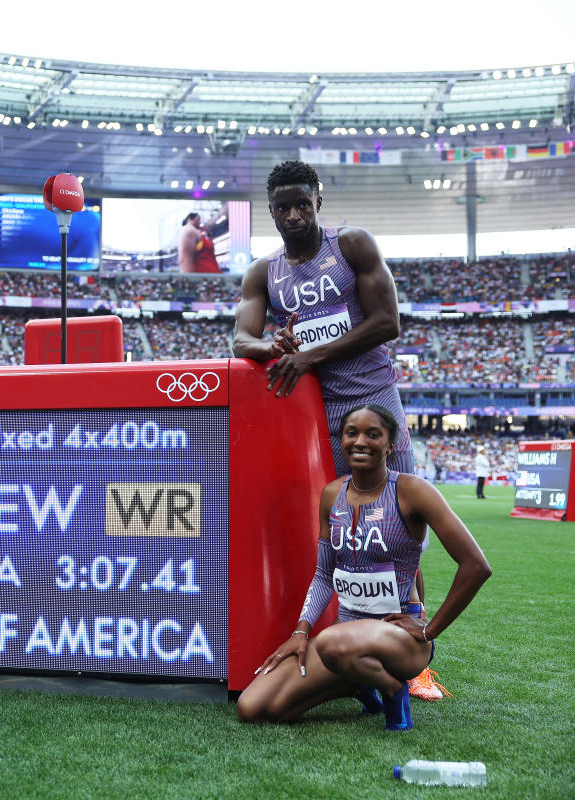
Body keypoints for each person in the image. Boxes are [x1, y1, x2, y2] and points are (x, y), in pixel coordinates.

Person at [231, 159, 438, 693]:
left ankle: (415, 658)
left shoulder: (351, 246)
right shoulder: (264, 272)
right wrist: (271, 347)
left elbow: (387, 322)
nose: (294, 214)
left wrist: (310, 356)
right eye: (283, 207)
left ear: (319, 202)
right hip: (317, 422)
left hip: (374, 404)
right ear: (270, 211)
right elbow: (241, 341)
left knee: (397, 531)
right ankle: (354, 647)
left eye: (303, 203)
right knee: (348, 533)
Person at [236, 404, 491, 731]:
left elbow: (476, 565)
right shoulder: (332, 495)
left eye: (373, 434)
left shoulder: (412, 491)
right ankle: (357, 683)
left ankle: (392, 689)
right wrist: (300, 631)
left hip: (399, 640)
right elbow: (324, 575)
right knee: (254, 707)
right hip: (345, 640)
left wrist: (429, 630)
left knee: (330, 642)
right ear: (341, 439)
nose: (360, 441)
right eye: (351, 433)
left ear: (389, 444)